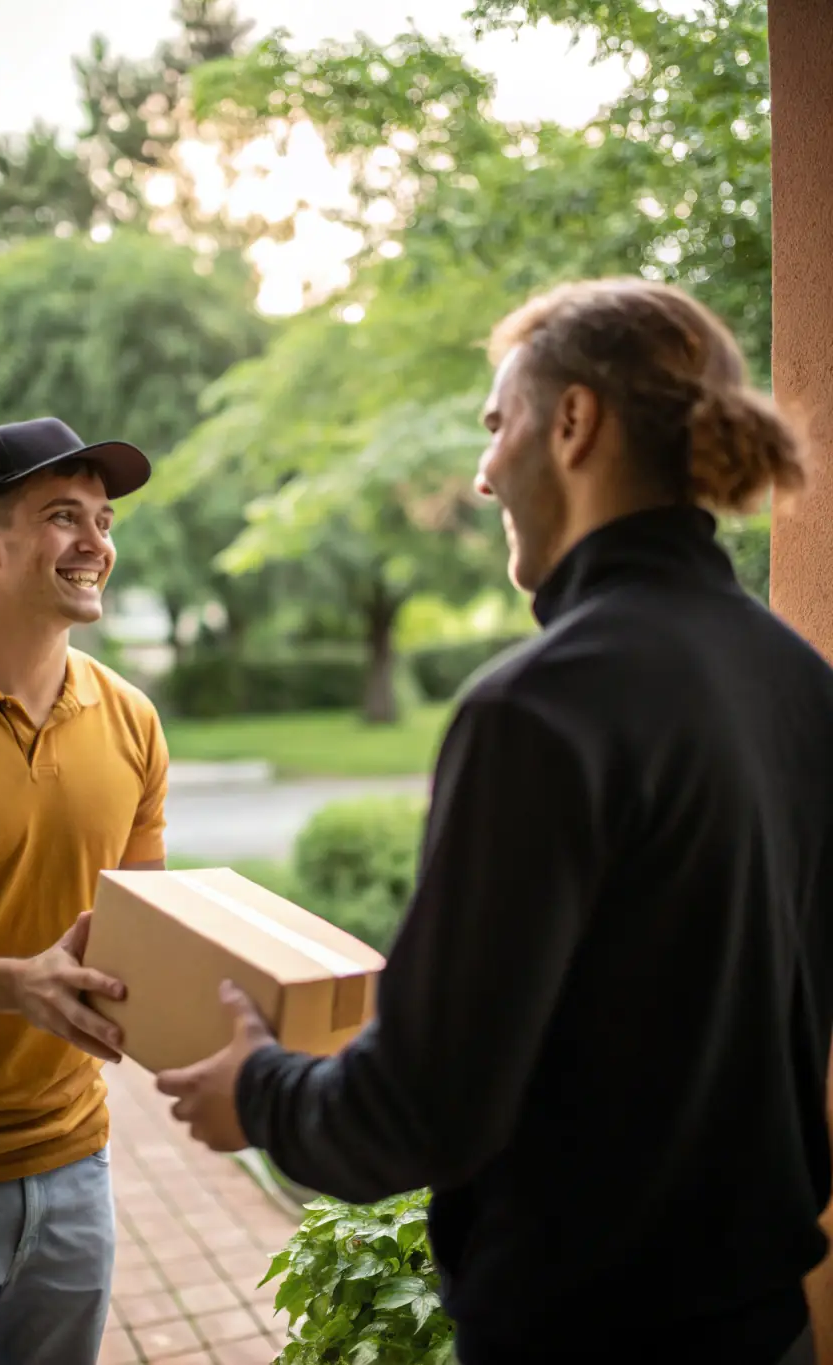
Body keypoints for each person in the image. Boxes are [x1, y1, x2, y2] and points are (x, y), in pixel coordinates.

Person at [157, 279, 833, 1365]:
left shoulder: (540, 706)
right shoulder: (798, 681)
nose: (480, 476)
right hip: (770, 1329)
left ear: (572, 423)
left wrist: (260, 1090)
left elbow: (417, 1115)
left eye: (494, 424)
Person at [0, 417, 169, 1365]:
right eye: (63, 516)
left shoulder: (131, 718)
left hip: (77, 1162)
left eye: (104, 521)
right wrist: (12, 984)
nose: (96, 544)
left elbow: (140, 932)